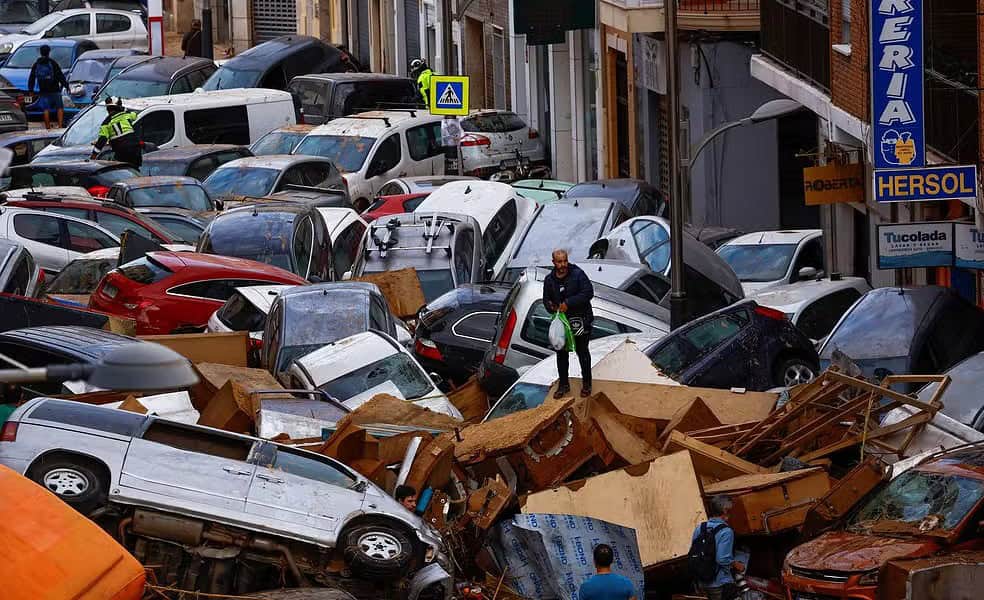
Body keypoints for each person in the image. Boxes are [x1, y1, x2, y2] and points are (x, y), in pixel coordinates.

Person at [543, 249, 594, 398]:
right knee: (561, 353)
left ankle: (587, 384)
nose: (563, 264)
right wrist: (551, 307)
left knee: (582, 352)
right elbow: (546, 299)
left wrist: (569, 303)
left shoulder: (578, 274)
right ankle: (564, 385)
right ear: (554, 262)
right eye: (559, 262)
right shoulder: (549, 279)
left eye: (565, 261)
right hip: (562, 323)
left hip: (580, 320)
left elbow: (588, 292)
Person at [689, 496, 743, 600]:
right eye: (730, 510)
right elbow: (722, 559)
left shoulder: (700, 528)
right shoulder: (726, 531)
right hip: (720, 582)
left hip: (702, 582)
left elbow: (694, 551)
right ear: (724, 510)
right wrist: (737, 565)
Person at [27, 44, 69, 129]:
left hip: (43, 90)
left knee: (46, 109)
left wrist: (30, 90)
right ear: (49, 52)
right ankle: (60, 126)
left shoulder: (37, 64)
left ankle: (48, 127)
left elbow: (32, 77)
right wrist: (66, 85)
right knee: (59, 107)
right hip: (55, 89)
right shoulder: (53, 63)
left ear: (40, 52)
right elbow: (59, 75)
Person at [91, 98, 142, 168]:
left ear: (108, 109)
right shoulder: (126, 115)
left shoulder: (106, 123)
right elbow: (134, 115)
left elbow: (102, 140)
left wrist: (93, 156)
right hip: (135, 149)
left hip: (121, 152)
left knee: (123, 171)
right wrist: (124, 109)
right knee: (135, 170)